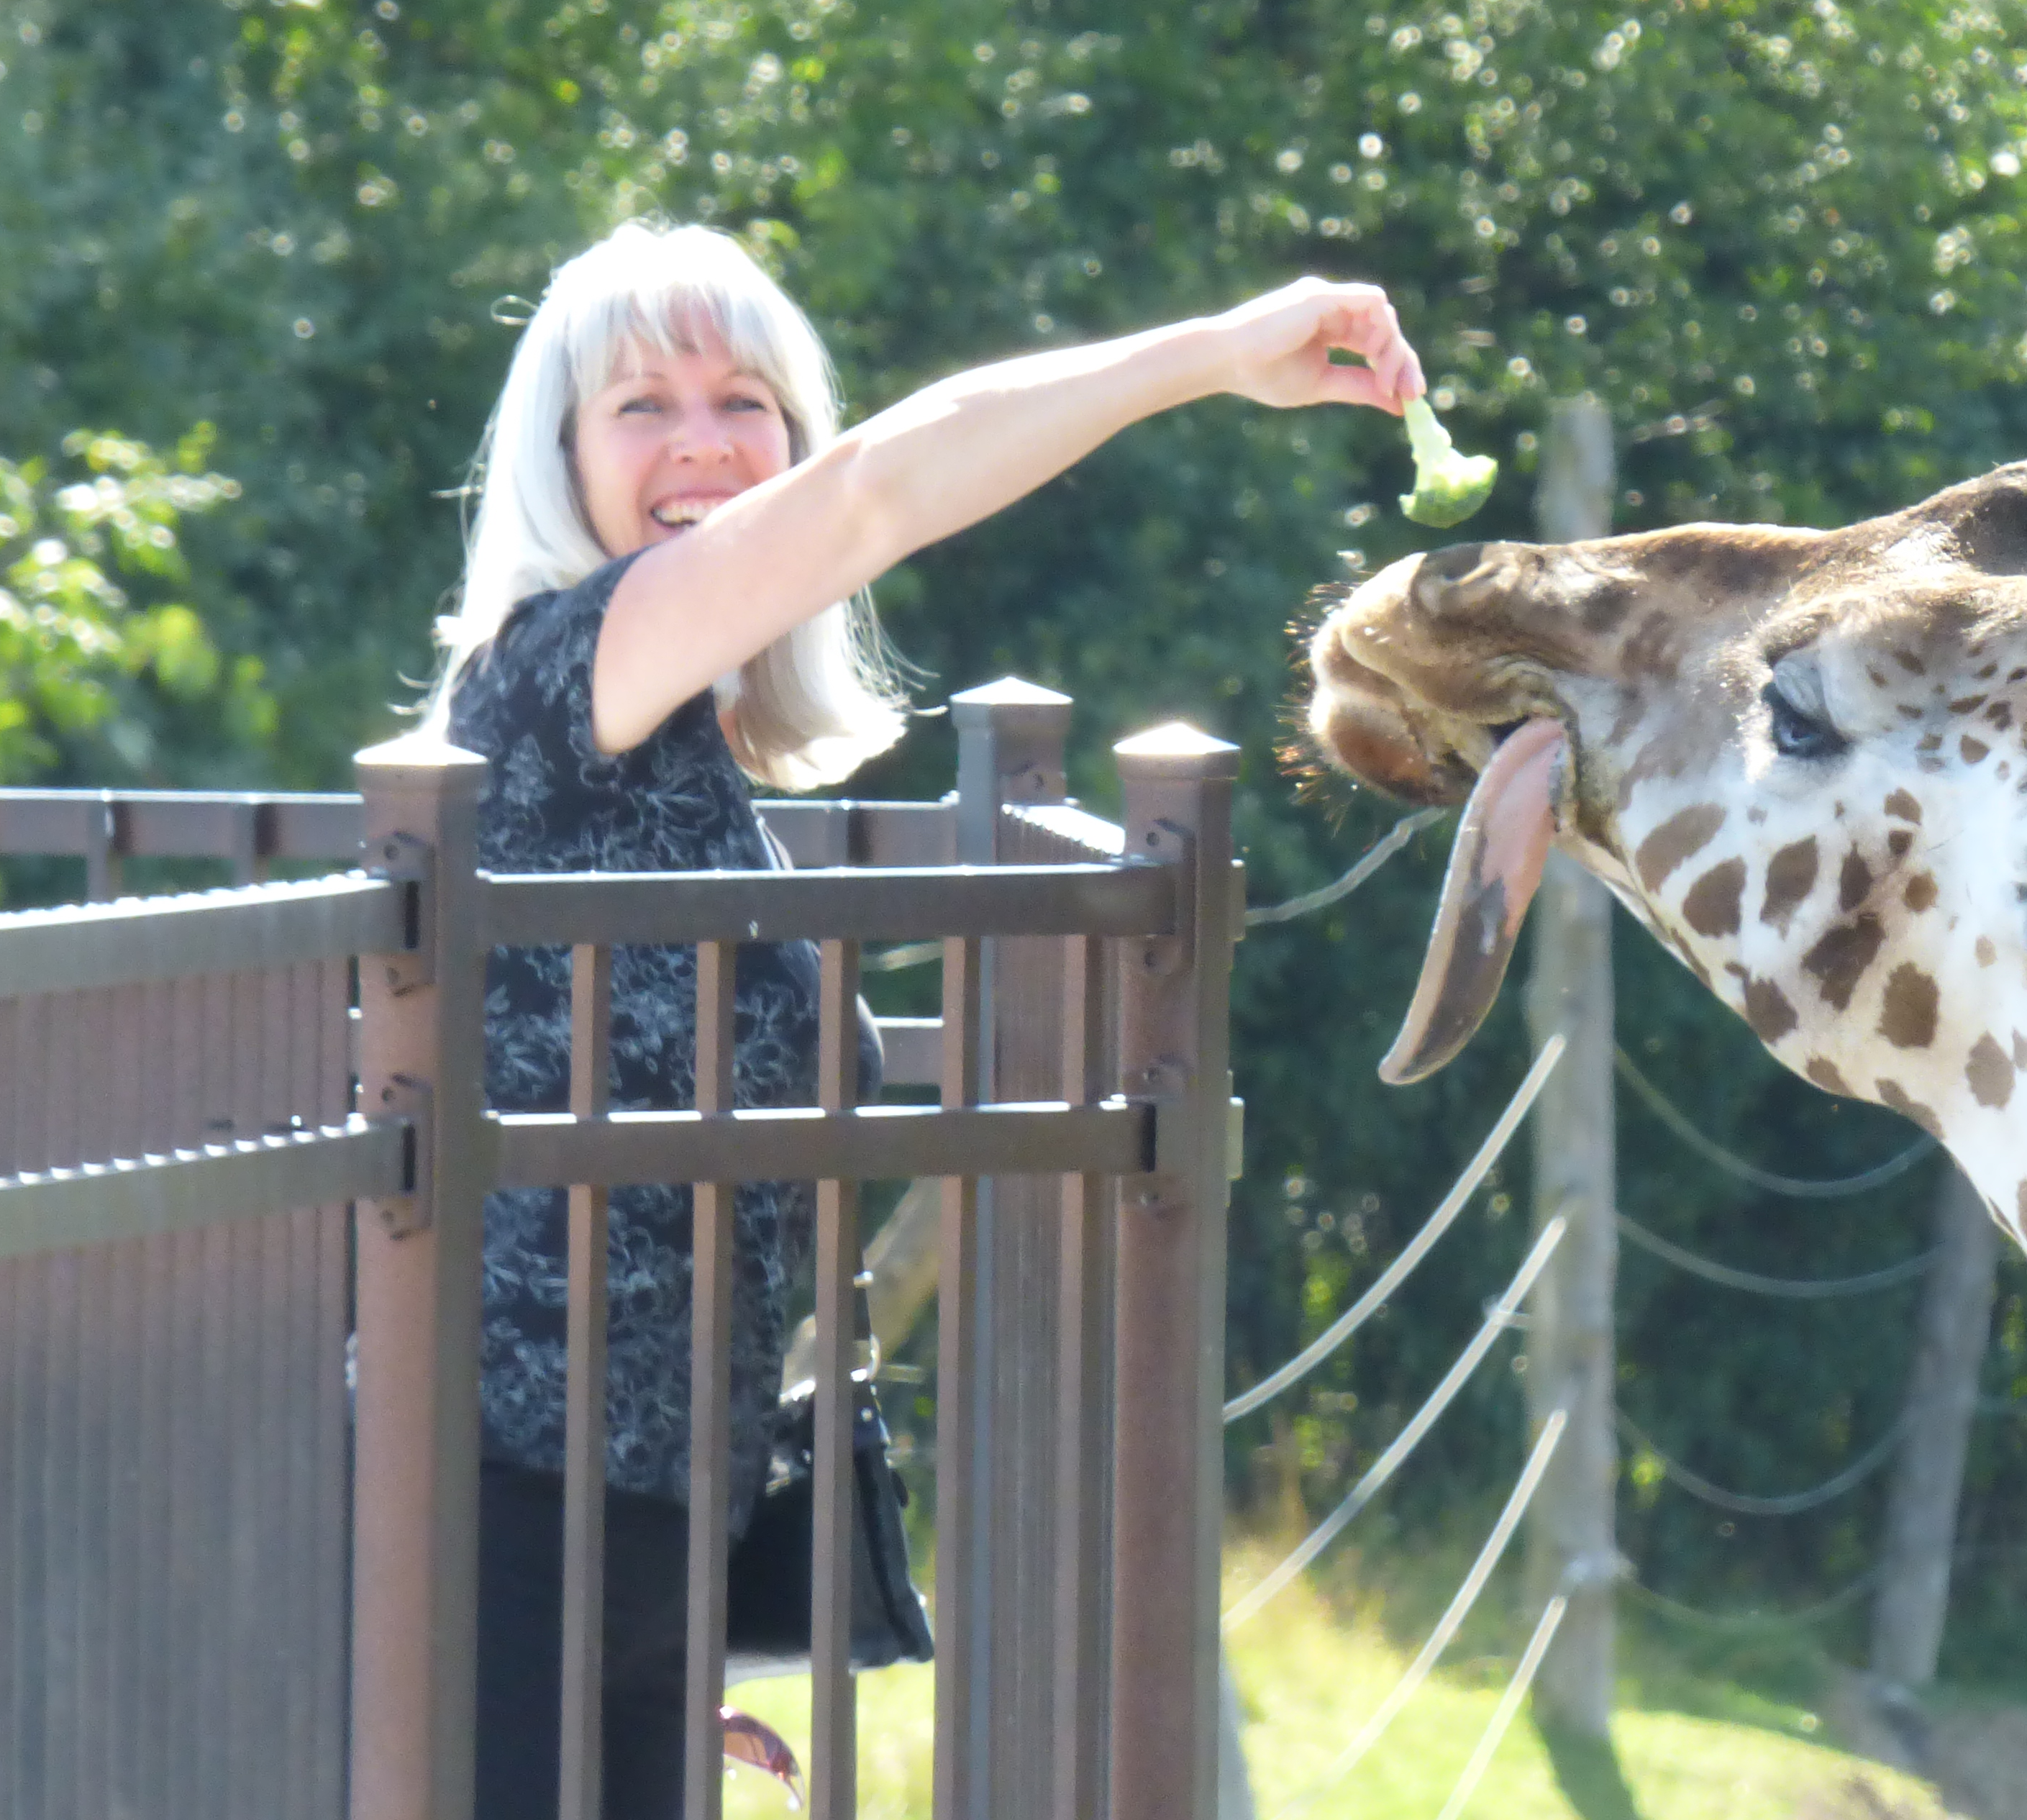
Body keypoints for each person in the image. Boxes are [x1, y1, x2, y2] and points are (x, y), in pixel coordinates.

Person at [427, 219, 1421, 1819]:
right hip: (498, 1522)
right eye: (642, 405)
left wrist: (663, 1648)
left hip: (637, 1536)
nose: (703, 442)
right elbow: (887, 487)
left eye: (745, 398)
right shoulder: (561, 673)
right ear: (561, 457)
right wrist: (1222, 354)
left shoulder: (679, 759)